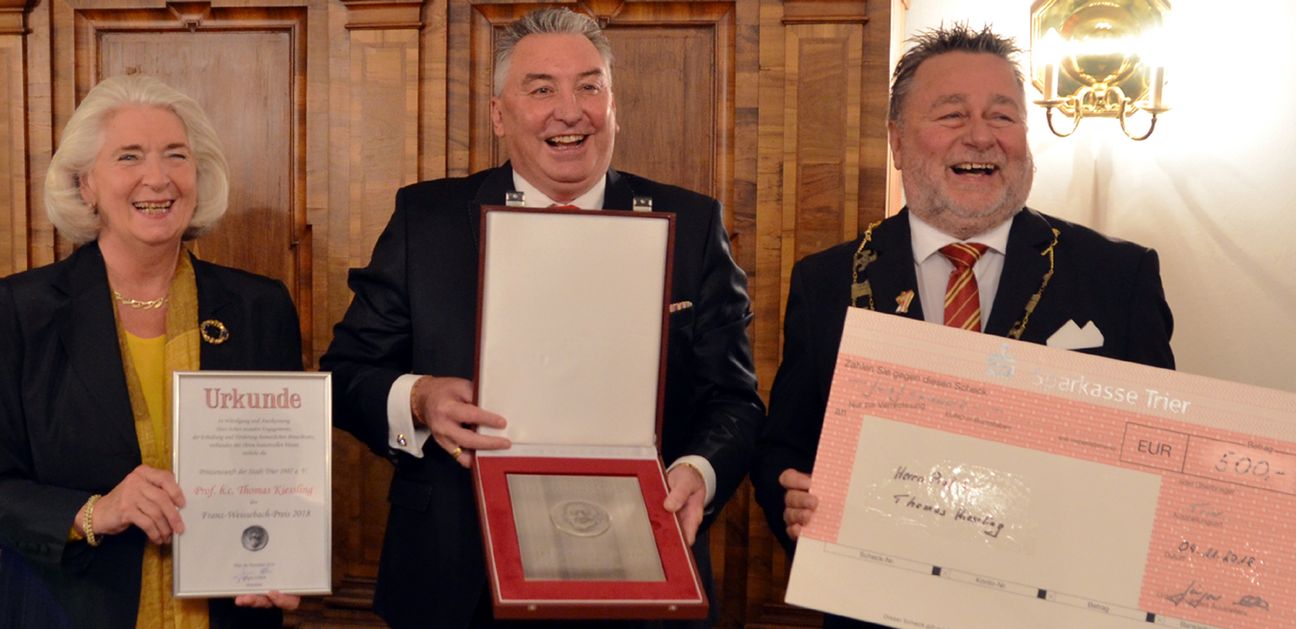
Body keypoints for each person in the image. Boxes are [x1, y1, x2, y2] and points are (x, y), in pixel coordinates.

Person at [320, 7, 764, 628]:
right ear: (500, 114)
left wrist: (698, 471)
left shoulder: (689, 227)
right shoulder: (427, 221)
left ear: (614, 105)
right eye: (541, 89)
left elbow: (735, 401)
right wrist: (418, 398)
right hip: (455, 580)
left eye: (590, 86)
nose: (570, 110)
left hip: (640, 568)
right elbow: (345, 374)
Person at [751, 24, 1175, 628]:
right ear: (897, 142)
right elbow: (785, 447)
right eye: (952, 115)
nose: (981, 136)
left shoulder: (1117, 275)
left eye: (1003, 116)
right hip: (876, 608)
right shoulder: (828, 281)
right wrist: (791, 501)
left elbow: (1160, 458)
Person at [0, 74, 302, 628]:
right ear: (85, 183)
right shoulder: (20, 312)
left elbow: (285, 474)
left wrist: (283, 561)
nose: (157, 178)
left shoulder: (261, 307)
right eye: (129, 156)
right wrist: (94, 511)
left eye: (176, 156)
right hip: (69, 610)